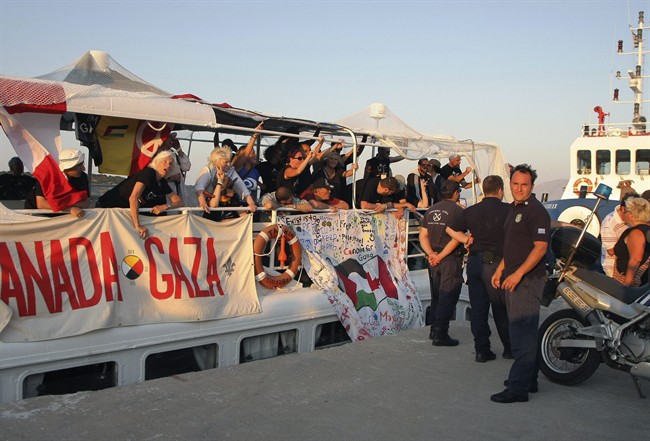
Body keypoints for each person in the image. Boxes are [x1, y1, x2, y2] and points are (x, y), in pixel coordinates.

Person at [490, 163, 550, 404]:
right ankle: (529, 379)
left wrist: (518, 274)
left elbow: (540, 247)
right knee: (524, 332)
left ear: (532, 186)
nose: (519, 188)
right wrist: (501, 269)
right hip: (512, 277)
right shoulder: (515, 209)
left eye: (524, 185)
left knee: (521, 332)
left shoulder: (536, 211)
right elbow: (513, 246)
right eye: (515, 184)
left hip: (527, 281)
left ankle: (518, 388)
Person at [442, 176, 512, 362]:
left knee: (479, 309)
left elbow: (449, 229)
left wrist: (466, 239)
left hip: (474, 263)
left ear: (484, 190)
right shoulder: (509, 210)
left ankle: (482, 350)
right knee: (500, 308)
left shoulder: (471, 211)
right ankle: (509, 348)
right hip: (496, 264)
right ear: (500, 191)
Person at [418, 180, 465, 346]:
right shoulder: (458, 211)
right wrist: (441, 255)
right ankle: (441, 334)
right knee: (448, 295)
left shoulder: (431, 210)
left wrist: (431, 253)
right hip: (449, 259)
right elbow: (456, 237)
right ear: (456, 193)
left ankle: (433, 330)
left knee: (436, 296)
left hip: (433, 259)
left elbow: (422, 235)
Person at [97, 150, 184, 238]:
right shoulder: (149, 173)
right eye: (164, 161)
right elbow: (133, 198)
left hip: (120, 214)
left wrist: (166, 206)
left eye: (171, 163)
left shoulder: (162, 182)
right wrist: (137, 226)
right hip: (106, 208)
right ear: (156, 162)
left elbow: (179, 202)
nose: (168, 165)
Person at [195, 147, 257, 222]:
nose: (229, 164)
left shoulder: (230, 169)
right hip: (208, 198)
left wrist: (251, 203)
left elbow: (241, 186)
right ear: (217, 162)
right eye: (226, 162)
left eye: (229, 161)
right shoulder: (208, 169)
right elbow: (199, 187)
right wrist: (202, 202)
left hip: (223, 198)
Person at [25, 149, 89, 218]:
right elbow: (41, 204)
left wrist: (63, 206)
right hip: (38, 214)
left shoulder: (82, 177)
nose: (83, 168)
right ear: (68, 167)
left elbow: (85, 203)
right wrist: (70, 209)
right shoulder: (46, 176)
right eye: (79, 165)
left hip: (63, 215)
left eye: (82, 164)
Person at [613, 197, 650, 287]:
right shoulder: (646, 230)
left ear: (631, 215)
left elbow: (635, 260)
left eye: (625, 211)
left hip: (629, 281)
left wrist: (626, 284)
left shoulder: (636, 232)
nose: (623, 213)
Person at [600, 193, 636, 277]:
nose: (635, 216)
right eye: (633, 213)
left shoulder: (629, 219)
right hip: (613, 268)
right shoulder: (609, 223)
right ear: (623, 209)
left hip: (628, 264)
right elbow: (611, 251)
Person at [156, 132, 191, 203]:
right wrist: (170, 178)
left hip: (178, 190)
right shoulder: (156, 155)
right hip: (164, 192)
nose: (172, 141)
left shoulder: (173, 154)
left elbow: (186, 167)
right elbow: (153, 175)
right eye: (170, 138)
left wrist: (179, 149)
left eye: (173, 139)